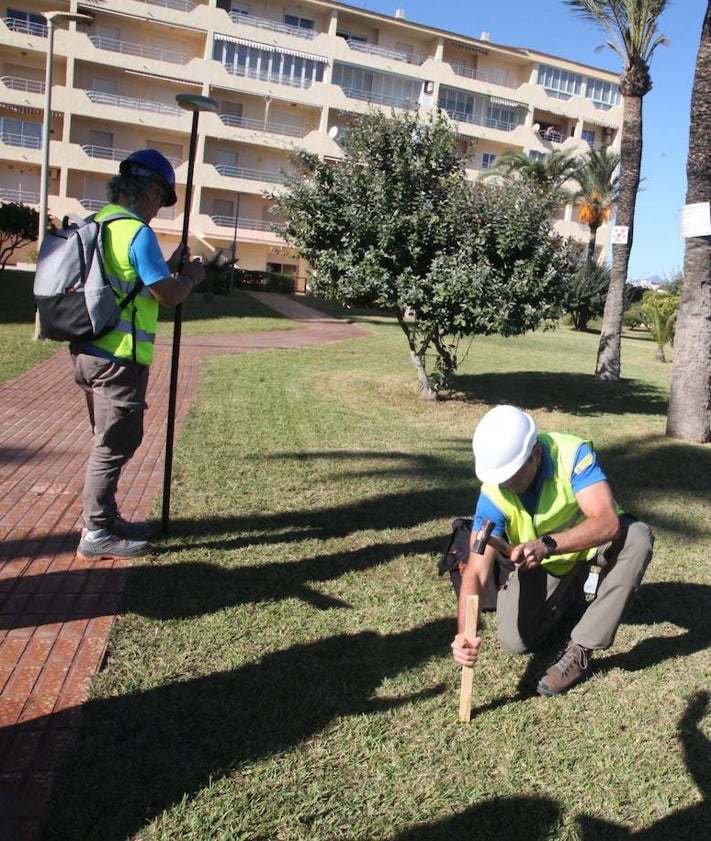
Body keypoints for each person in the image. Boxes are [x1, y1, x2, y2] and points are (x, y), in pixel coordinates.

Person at [450, 405, 653, 696]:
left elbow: (608, 523)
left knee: (638, 539)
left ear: (535, 453)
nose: (506, 483)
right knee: (515, 641)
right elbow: (476, 571)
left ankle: (582, 648)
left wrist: (546, 545)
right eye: (500, 477)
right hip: (547, 563)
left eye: (513, 473)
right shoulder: (493, 491)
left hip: (592, 545)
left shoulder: (572, 455)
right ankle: (570, 594)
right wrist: (464, 633)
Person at [72, 149, 204, 562]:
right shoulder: (137, 232)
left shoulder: (97, 223)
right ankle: (96, 533)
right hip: (119, 358)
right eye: (160, 202)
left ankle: (106, 520)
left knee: (107, 439)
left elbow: (133, 283)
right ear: (149, 190)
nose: (159, 212)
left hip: (88, 350)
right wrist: (191, 278)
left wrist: (168, 267)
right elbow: (167, 295)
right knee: (113, 445)